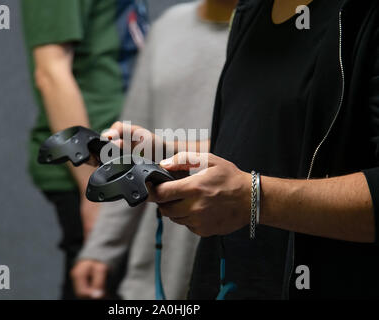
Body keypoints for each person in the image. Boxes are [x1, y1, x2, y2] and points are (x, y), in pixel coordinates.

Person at [108, 0, 379, 299]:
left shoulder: (364, 16)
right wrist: (167, 153)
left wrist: (253, 198)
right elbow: (261, 142)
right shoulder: (253, 11)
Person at [71, 0, 238, 300]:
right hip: (158, 269)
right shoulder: (167, 29)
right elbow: (129, 153)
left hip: (232, 260)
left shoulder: (272, 40)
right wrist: (101, 249)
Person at [21, 0, 148, 299]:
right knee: (98, 283)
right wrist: (93, 184)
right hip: (96, 168)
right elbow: (51, 74)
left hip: (124, 161)